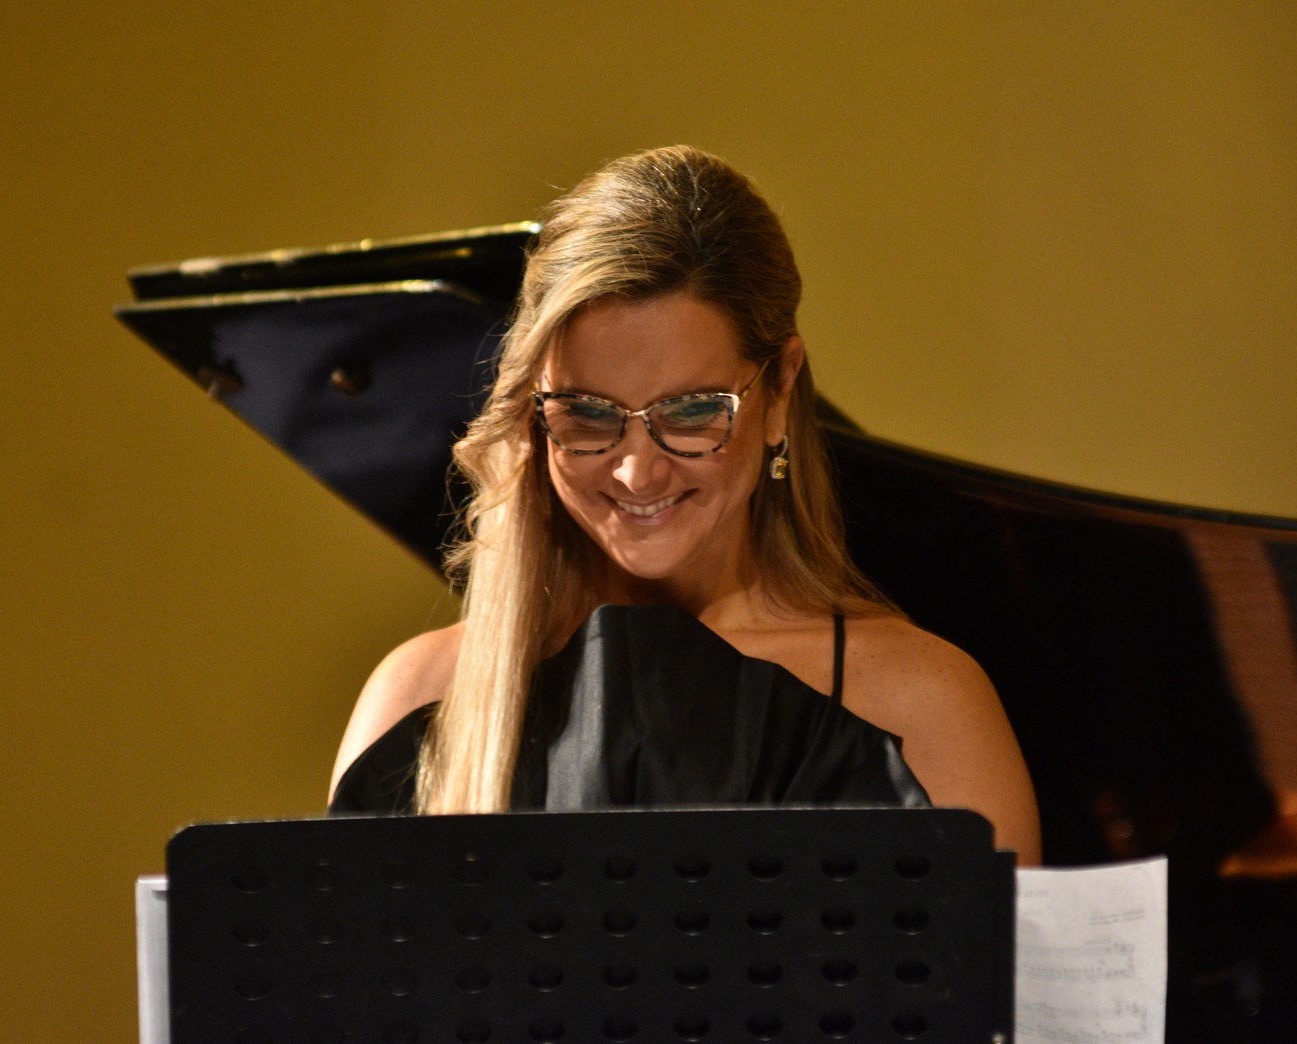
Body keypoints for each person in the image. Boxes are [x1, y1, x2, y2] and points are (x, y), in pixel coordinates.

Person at [329, 145, 1040, 863]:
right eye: (586, 414)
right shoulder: (417, 698)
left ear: (781, 389)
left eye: (693, 412)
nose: (637, 473)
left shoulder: (920, 704)